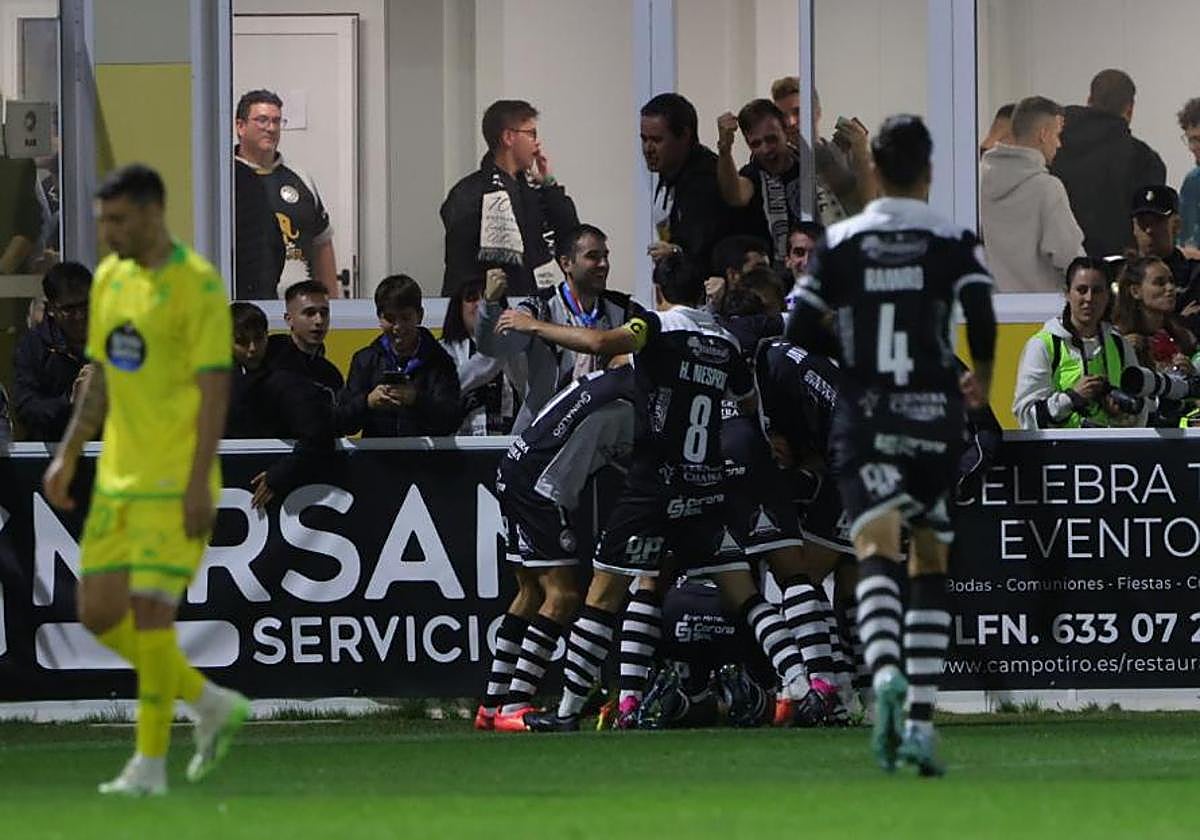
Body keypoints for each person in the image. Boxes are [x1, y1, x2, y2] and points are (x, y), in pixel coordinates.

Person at [496, 255, 816, 733]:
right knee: (746, 595)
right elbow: (747, 401)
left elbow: (602, 342)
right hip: (705, 486)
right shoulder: (723, 341)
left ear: (659, 292)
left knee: (602, 598)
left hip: (652, 486)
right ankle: (803, 688)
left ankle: (566, 712)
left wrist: (533, 324)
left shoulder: (655, 327)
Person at [786, 115, 997, 776]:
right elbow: (983, 319)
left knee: (873, 549)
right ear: (929, 169)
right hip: (932, 412)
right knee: (927, 559)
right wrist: (979, 378)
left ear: (872, 168)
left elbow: (796, 323)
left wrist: (854, 351)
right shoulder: (951, 238)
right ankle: (922, 723)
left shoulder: (843, 240)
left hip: (867, 412)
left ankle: (882, 680)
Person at [41, 164, 247, 796]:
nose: (106, 233)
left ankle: (149, 765)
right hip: (119, 479)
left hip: (175, 479)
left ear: (154, 213)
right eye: (102, 221)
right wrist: (69, 454)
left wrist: (195, 483)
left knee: (151, 617)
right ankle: (209, 701)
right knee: (98, 614)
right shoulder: (110, 279)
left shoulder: (198, 286)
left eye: (117, 220)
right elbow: (101, 372)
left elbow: (215, 390)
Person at [478, 364, 637, 732]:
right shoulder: (641, 397)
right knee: (563, 596)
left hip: (515, 468)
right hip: (540, 487)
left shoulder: (610, 380)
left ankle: (490, 706)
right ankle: (514, 707)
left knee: (530, 592)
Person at [475, 224, 636, 432]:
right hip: (542, 436)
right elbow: (494, 348)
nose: (603, 264)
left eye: (606, 256)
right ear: (566, 263)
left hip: (601, 435)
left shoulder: (624, 308)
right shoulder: (540, 306)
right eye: (593, 256)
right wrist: (489, 304)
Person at [440, 99, 579, 296]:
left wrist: (549, 184)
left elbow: (572, 239)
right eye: (531, 134)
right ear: (508, 137)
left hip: (539, 306)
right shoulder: (469, 193)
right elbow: (460, 268)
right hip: (491, 309)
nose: (537, 142)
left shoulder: (538, 191)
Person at [226, 302, 337, 509]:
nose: (252, 349)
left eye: (258, 339)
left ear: (267, 335)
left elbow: (319, 434)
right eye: (242, 342)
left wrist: (279, 475)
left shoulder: (286, 381)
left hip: (283, 495)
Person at [1013, 257, 1142, 429]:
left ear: (1107, 296)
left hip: (1112, 451)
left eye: (1097, 291)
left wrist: (1122, 413)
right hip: (1060, 453)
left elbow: (1140, 411)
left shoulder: (1119, 345)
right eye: (1081, 290)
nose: (1089, 298)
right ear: (1067, 293)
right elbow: (1026, 416)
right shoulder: (1043, 344)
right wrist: (1072, 397)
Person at [1050, 69, 1166, 257]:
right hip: (1118, 269)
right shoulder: (1144, 159)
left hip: (1058, 266)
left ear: (1089, 100)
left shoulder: (1051, 147)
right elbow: (1150, 227)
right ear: (1130, 109)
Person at [234, 89, 338, 298]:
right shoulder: (225, 178)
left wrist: (333, 303)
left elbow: (322, 244)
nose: (271, 128)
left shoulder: (299, 178)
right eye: (262, 120)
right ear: (240, 126)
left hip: (300, 306)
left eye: (276, 121)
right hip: (245, 303)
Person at [980, 96, 1084, 293]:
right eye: (1057, 134)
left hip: (996, 309)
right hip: (1040, 310)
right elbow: (1069, 258)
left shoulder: (978, 183)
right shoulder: (1047, 188)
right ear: (1043, 134)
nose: (1059, 144)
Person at [339, 274, 460, 437]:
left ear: (420, 315)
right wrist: (367, 402)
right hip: (376, 460)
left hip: (424, 459)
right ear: (379, 318)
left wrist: (416, 400)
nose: (398, 326)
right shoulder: (365, 360)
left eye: (405, 317)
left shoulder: (440, 360)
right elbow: (344, 423)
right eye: (390, 318)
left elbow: (450, 421)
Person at [641, 93, 737, 274]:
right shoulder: (668, 172)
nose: (648, 149)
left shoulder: (707, 180)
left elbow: (702, 252)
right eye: (644, 139)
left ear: (684, 135)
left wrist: (676, 252)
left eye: (657, 140)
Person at [769, 76, 875, 224]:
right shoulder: (781, 164)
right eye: (783, 116)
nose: (790, 122)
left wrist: (861, 154)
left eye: (798, 112)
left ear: (817, 112)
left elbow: (872, 208)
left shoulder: (849, 153)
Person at [716, 99, 808, 267]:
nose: (766, 149)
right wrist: (725, 149)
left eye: (771, 139)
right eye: (756, 144)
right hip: (773, 278)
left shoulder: (808, 166)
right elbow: (735, 195)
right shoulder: (752, 174)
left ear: (785, 131)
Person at [1113, 256, 1199, 426]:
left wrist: (1192, 375)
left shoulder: (1184, 336)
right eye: (1160, 283)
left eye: (1172, 281)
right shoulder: (1117, 339)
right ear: (1135, 291)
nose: (1170, 288)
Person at [12, 261, 91, 441]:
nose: (80, 316)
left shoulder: (115, 338)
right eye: (69, 309)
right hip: (54, 450)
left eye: (85, 305)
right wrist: (71, 400)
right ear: (52, 309)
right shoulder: (33, 347)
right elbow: (27, 410)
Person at [440, 279, 524, 436]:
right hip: (458, 448)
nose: (479, 304)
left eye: (485, 298)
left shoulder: (515, 348)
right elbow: (445, 392)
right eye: (471, 298)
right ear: (458, 308)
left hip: (512, 446)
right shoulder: (443, 350)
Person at [1130, 186, 1200, 333]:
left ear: (1176, 226)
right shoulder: (1118, 274)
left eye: (1157, 221)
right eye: (1143, 222)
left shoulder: (1195, 276)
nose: (1149, 230)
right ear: (1134, 228)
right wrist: (1178, 320)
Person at [265, 279, 345, 397]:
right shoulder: (267, 360)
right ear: (289, 319)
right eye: (309, 313)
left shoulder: (331, 375)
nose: (319, 321)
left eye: (324, 313)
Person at [1178, 98, 1200, 254]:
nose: (1193, 148)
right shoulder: (1192, 182)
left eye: (1198, 140)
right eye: (1190, 139)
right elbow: (1184, 237)